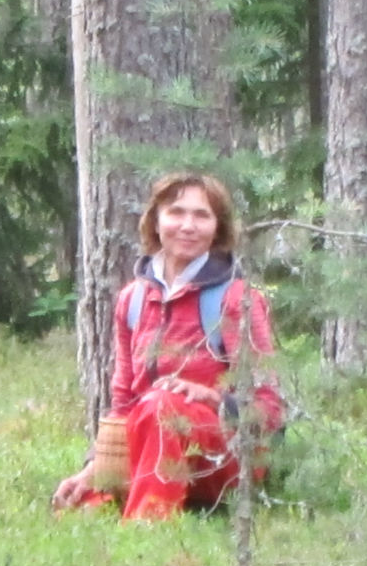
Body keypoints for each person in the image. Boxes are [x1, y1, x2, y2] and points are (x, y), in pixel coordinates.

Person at [53, 172, 284, 520]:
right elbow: (124, 404)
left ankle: (148, 531)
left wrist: (212, 398)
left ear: (217, 229)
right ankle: (133, 503)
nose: (188, 225)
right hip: (153, 447)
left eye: (202, 215)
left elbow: (269, 409)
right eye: (176, 212)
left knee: (163, 405)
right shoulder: (132, 299)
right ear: (156, 221)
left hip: (225, 459)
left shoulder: (237, 300)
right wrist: (95, 469)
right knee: (76, 508)